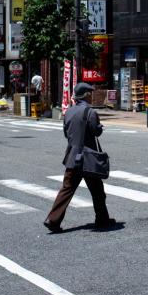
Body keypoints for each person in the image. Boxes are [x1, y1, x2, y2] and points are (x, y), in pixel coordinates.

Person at [44, 82, 115, 233]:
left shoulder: (68, 112)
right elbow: (96, 132)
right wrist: (100, 128)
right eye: (90, 94)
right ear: (86, 95)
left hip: (72, 157)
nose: (91, 96)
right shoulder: (90, 112)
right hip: (88, 159)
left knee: (67, 189)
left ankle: (52, 219)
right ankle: (102, 219)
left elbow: (66, 133)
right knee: (97, 191)